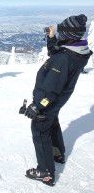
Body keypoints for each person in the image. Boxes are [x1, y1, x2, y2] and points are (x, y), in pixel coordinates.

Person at [22, 14, 92, 186]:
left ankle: (45, 172)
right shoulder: (75, 51)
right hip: (59, 97)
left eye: (62, 31)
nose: (59, 33)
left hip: (50, 98)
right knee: (51, 121)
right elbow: (57, 52)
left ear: (68, 36)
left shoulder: (64, 59)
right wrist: (51, 38)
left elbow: (51, 90)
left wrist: (37, 106)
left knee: (39, 127)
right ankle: (57, 153)